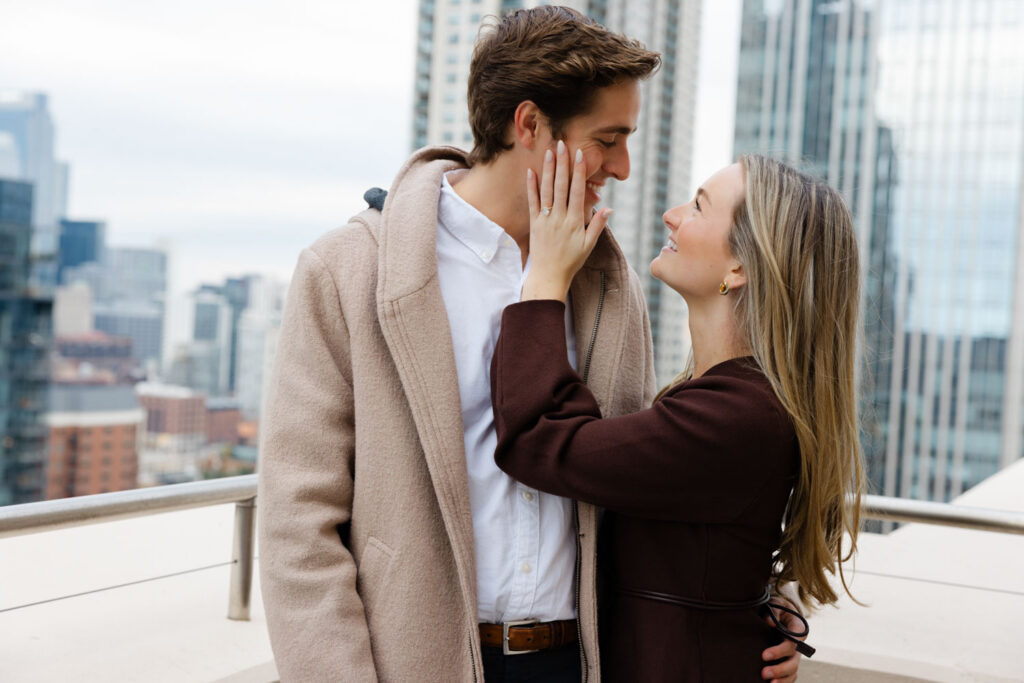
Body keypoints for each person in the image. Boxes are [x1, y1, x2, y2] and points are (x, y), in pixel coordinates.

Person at [257, 6, 804, 682]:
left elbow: (657, 481)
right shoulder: (349, 270)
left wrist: (765, 598)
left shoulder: (608, 283)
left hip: (580, 662)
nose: (624, 167)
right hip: (417, 661)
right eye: (608, 139)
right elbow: (298, 525)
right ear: (529, 126)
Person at [489, 150, 865, 680]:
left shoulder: (735, 417)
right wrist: (760, 597)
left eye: (699, 206)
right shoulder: (733, 399)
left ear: (740, 268)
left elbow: (539, 439)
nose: (672, 213)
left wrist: (544, 278)